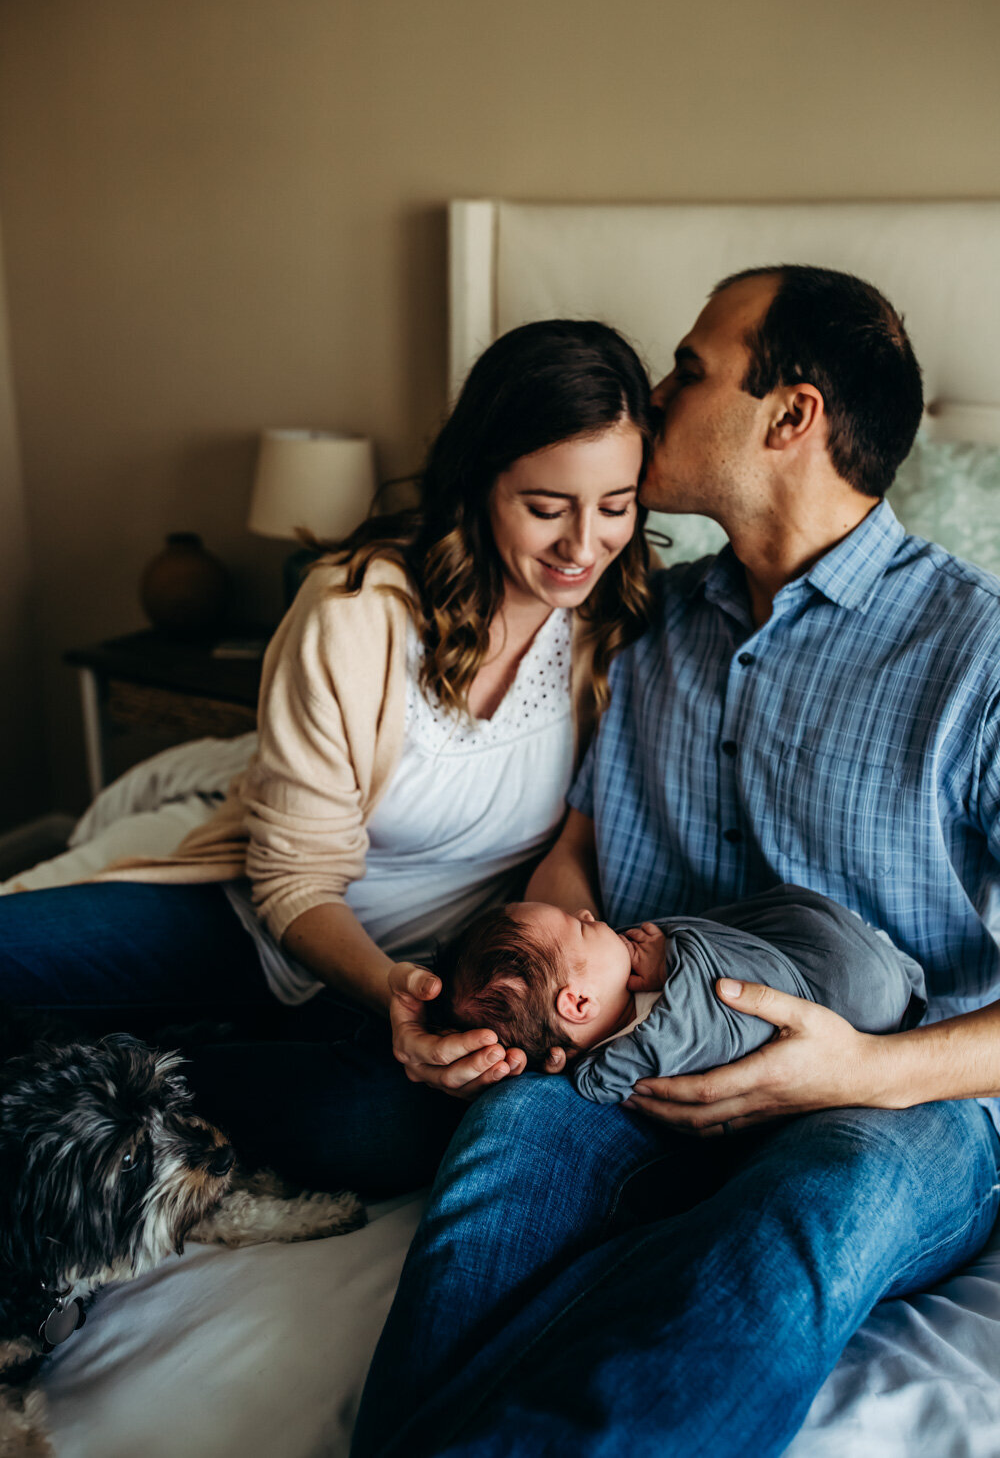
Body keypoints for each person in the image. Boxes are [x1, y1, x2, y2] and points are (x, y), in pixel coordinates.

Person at [351, 266, 1000, 1458]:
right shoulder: (639, 622)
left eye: (689, 369)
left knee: (807, 1212)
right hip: (625, 1060)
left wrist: (864, 1068)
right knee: (499, 1151)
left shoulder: (980, 659)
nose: (653, 397)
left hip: (901, 1097)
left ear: (789, 416)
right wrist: (514, 1003)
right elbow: (577, 856)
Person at [0, 318, 655, 1199]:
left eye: (615, 506)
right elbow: (295, 874)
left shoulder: (613, 630)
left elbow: (567, 851)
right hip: (262, 923)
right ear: (479, 483)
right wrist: (386, 987)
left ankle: (115, 1070)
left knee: (373, 1131)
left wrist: (498, 1008)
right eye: (546, 508)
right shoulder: (356, 611)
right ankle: (135, 1050)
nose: (584, 547)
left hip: (442, 979)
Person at [428, 886, 927, 1102]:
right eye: (578, 928)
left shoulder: (626, 980)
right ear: (578, 1004)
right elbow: (623, 1067)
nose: (587, 914)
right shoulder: (654, 1033)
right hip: (855, 991)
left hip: (834, 985)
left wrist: (676, 952)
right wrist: (681, 959)